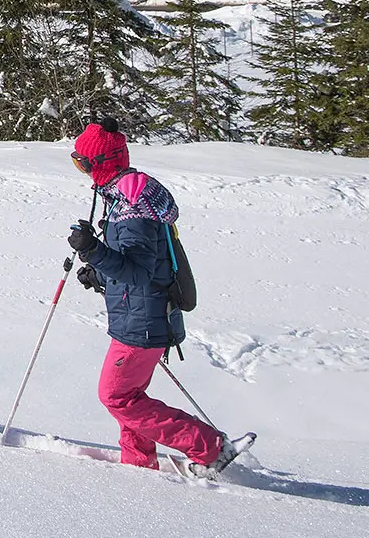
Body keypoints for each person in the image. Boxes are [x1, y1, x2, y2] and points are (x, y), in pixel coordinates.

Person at [67, 118, 241, 476]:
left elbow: (139, 272)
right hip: (142, 317)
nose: (81, 170)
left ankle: (208, 448)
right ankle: (139, 465)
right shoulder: (127, 195)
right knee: (130, 398)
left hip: (143, 324)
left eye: (82, 162)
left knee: (116, 396)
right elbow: (141, 264)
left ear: (101, 164)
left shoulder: (132, 208)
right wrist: (98, 274)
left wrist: (93, 252)